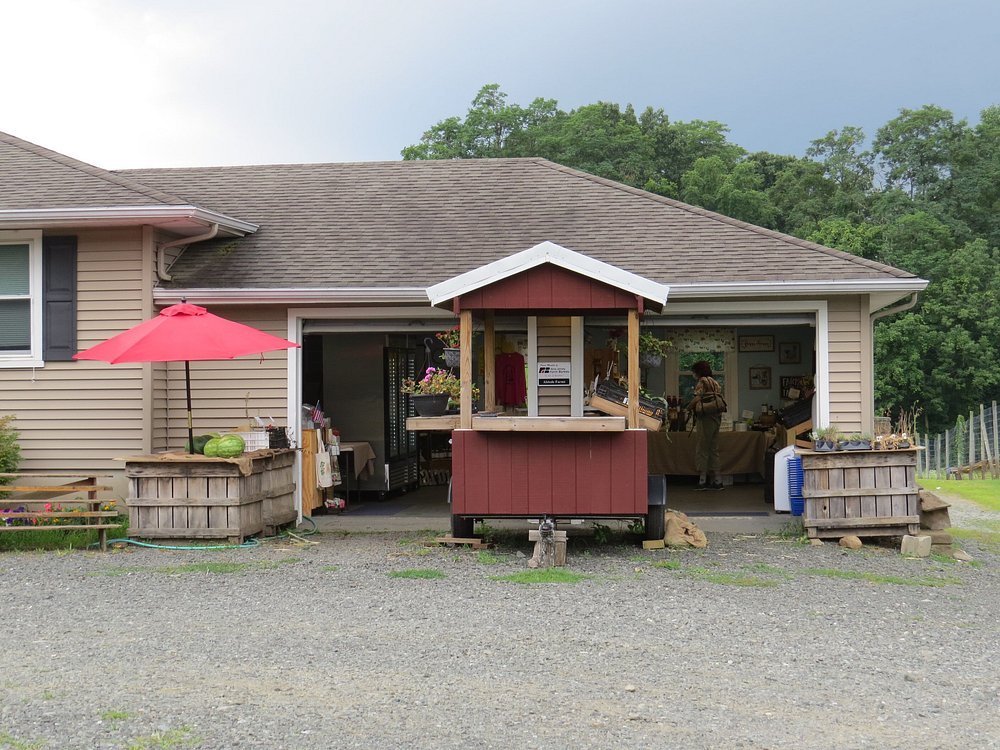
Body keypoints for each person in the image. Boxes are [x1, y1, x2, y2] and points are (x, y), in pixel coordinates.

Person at [687, 360, 724, 490]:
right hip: (717, 417)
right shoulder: (714, 382)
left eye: (694, 371)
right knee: (714, 449)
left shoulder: (702, 381)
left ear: (698, 371)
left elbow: (698, 397)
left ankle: (702, 480)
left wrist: (689, 407)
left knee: (702, 448)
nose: (693, 374)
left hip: (705, 417)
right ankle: (718, 480)